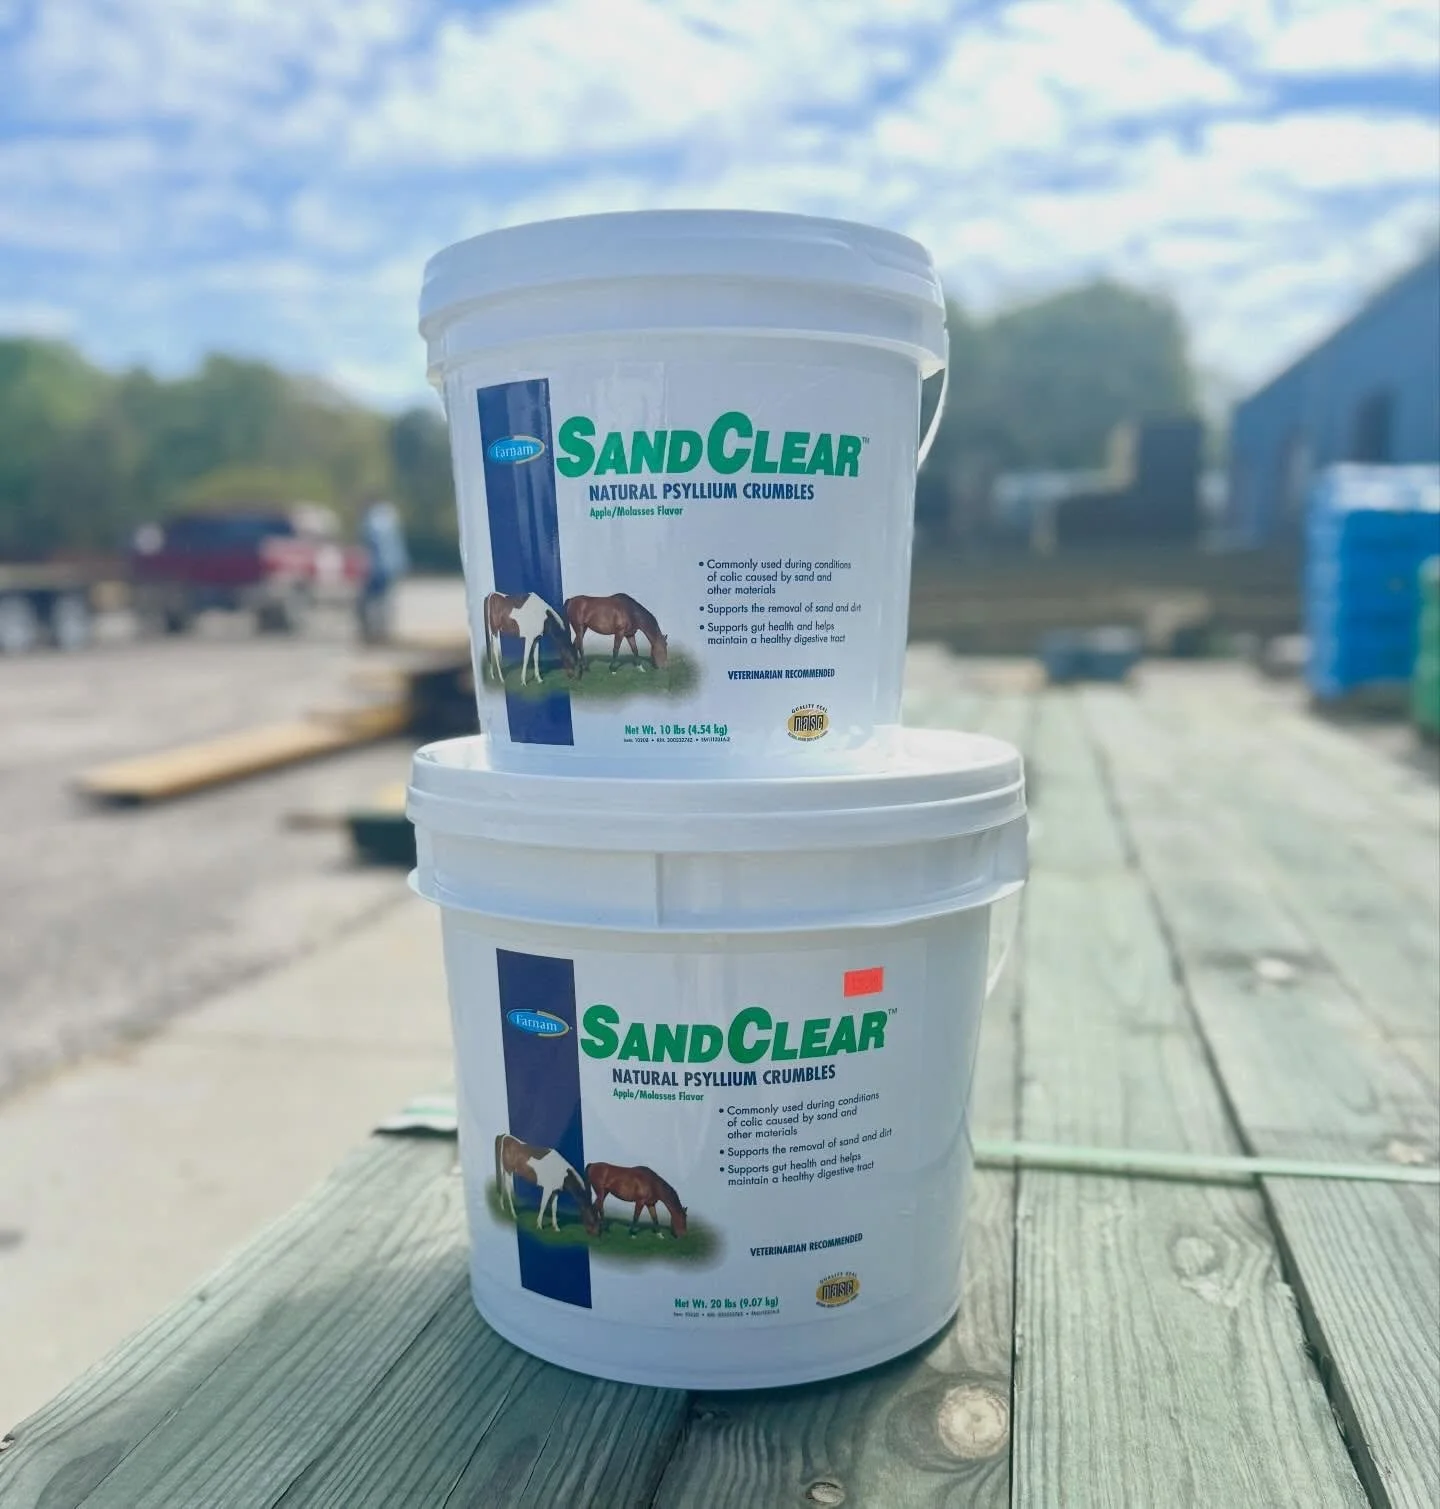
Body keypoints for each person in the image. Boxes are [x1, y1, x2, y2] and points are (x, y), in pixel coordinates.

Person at [357, 499, 409, 644]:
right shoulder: (389, 518)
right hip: (393, 565)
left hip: (378, 567)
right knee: (385, 600)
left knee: (370, 601)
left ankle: (374, 634)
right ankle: (384, 632)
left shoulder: (371, 521)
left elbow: (370, 545)